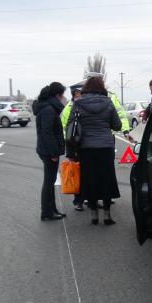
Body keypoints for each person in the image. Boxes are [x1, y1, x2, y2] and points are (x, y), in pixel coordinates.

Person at [74, 76, 122, 225]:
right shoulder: (108, 102)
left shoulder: (78, 103)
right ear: (101, 87)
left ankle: (94, 214)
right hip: (105, 147)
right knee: (106, 179)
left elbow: (71, 125)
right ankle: (107, 215)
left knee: (90, 179)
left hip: (86, 148)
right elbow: (117, 125)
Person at [34, 82, 67, 221]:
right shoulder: (49, 110)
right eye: (62, 95)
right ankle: (47, 212)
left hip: (46, 150)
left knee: (50, 181)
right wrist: (53, 153)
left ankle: (51, 209)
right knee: (49, 182)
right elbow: (47, 133)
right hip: (48, 152)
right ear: (57, 95)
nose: (63, 98)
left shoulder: (47, 107)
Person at [61, 83, 85, 211]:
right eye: (80, 92)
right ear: (75, 94)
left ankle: (86, 198)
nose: (83, 94)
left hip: (85, 144)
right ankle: (78, 201)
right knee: (77, 174)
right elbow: (66, 130)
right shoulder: (69, 108)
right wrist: (69, 150)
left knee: (87, 173)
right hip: (75, 145)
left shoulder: (84, 105)